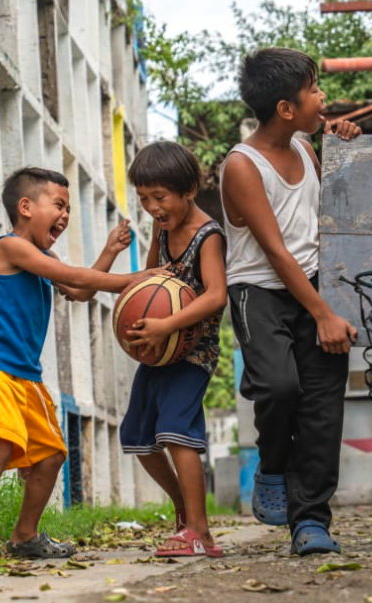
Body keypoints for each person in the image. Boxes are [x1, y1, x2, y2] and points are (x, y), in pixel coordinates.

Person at [0, 167, 146, 565]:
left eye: (68, 209)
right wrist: (141, 279)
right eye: (59, 205)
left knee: (52, 455)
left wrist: (110, 251)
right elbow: (71, 275)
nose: (65, 215)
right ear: (26, 207)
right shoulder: (10, 247)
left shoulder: (44, 256)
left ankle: (25, 536)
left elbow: (79, 289)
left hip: (27, 375)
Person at [220, 47, 361, 556]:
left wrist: (342, 151)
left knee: (322, 407)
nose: (322, 97)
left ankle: (311, 522)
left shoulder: (305, 148)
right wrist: (323, 314)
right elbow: (276, 251)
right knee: (280, 387)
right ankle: (273, 464)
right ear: (285, 108)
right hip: (259, 291)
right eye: (314, 90)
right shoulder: (242, 166)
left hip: (316, 285)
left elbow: (325, 218)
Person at [119, 141, 228, 558]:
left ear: (188, 191)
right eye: (144, 199)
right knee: (137, 435)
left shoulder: (208, 235)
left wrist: (166, 323)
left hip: (194, 352)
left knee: (177, 432)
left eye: (159, 197)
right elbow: (151, 278)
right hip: (160, 350)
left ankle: (200, 533)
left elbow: (216, 295)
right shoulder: (161, 229)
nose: (152, 207)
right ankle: (183, 507)